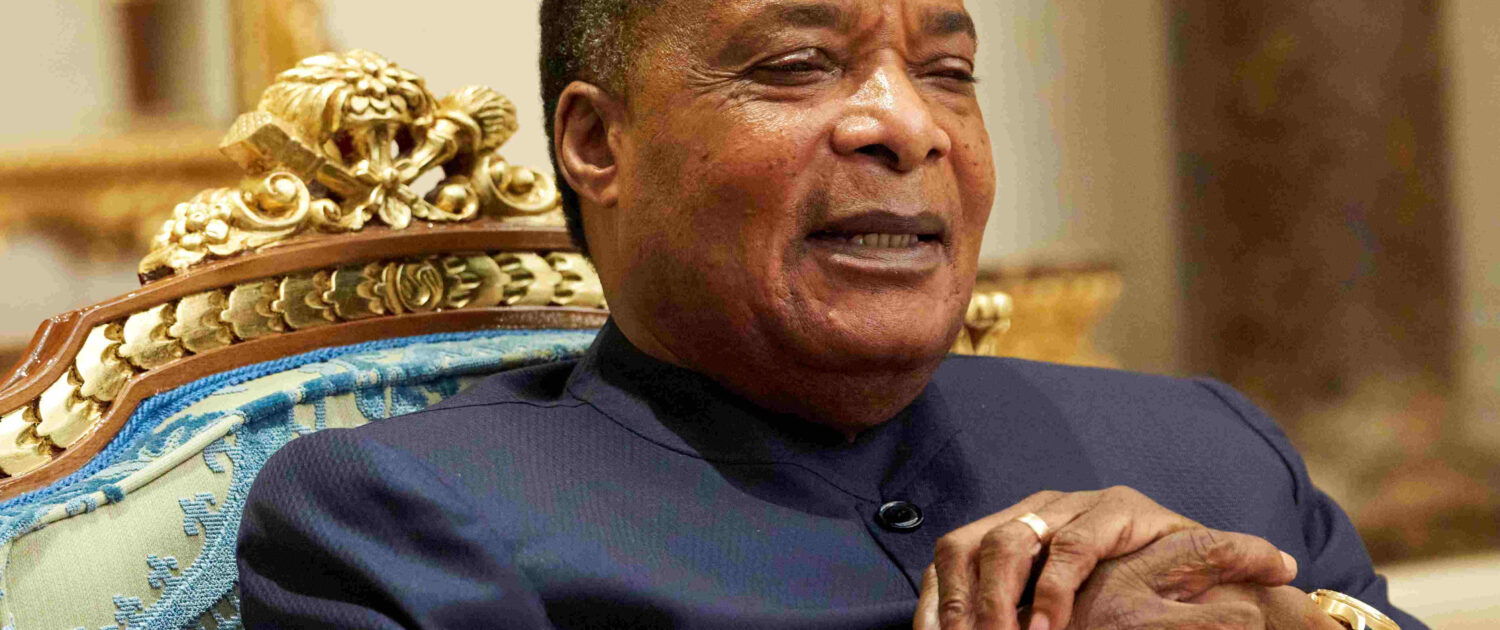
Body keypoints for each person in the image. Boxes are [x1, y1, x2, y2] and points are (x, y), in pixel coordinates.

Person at [236, 0, 1425, 628]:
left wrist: (1290, 626)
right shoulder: (400, 518)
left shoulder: (1208, 449)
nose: (908, 126)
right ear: (599, 142)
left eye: (948, 72)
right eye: (797, 64)